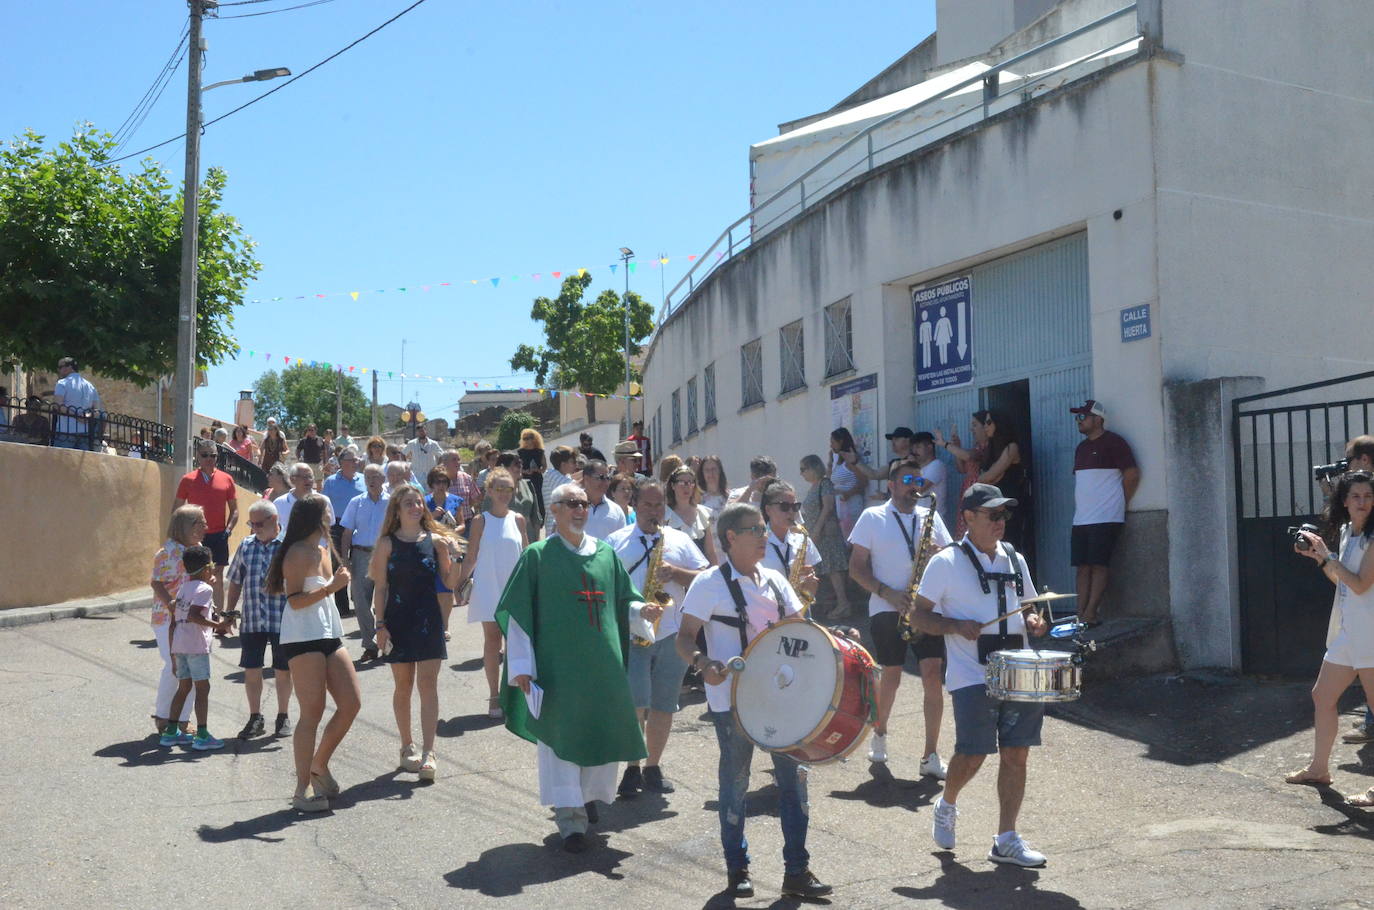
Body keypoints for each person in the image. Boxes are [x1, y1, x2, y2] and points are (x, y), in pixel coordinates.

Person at [676, 503, 832, 899]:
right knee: (736, 783)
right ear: (731, 538)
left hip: (783, 697)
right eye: (756, 530)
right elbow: (684, 637)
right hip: (733, 702)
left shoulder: (776, 579)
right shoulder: (708, 584)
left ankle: (796, 870)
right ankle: (736, 868)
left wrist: (835, 636)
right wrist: (702, 662)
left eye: (764, 529)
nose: (765, 537)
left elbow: (801, 629)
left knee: (794, 785)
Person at [496, 482, 648, 852]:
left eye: (584, 504)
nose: (580, 510)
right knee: (562, 740)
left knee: (600, 733)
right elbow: (518, 616)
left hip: (602, 669)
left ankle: (589, 798)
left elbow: (625, 601)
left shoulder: (605, 555)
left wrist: (644, 612)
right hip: (558, 669)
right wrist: (521, 666)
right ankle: (571, 822)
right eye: (572, 504)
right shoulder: (537, 556)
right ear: (555, 511)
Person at [910, 483, 1049, 867]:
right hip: (973, 674)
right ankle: (947, 802)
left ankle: (1006, 838)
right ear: (968, 517)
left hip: (1018, 670)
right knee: (973, 753)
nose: (1000, 522)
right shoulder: (946, 562)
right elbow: (918, 616)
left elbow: (1029, 605)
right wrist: (954, 625)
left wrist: (1034, 620)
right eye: (992, 515)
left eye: (1003, 515)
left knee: (1017, 754)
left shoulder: (1014, 558)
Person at [849, 461, 953, 772]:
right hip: (886, 605)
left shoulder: (930, 516)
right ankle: (880, 733)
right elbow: (856, 568)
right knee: (891, 676)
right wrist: (888, 593)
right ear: (892, 485)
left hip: (925, 608)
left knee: (933, 676)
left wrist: (940, 557)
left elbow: (951, 557)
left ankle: (930, 755)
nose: (914, 485)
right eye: (907, 479)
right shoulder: (873, 516)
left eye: (918, 480)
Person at [608, 478, 709, 797]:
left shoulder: (679, 540)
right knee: (636, 704)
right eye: (648, 505)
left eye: (658, 505)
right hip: (634, 633)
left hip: (671, 634)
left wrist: (676, 573)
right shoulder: (615, 541)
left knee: (665, 704)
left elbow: (706, 580)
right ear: (634, 505)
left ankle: (653, 768)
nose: (654, 511)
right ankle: (632, 767)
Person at [265, 493, 360, 812]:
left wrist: (334, 586)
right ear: (317, 518)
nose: (332, 516)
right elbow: (294, 600)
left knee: (351, 703)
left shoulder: (323, 550)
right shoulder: (295, 552)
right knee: (312, 712)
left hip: (329, 633)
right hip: (302, 637)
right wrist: (332, 587)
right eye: (327, 512)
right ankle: (301, 789)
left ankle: (319, 764)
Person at [1287, 472, 1374, 804]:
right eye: (1356, 496)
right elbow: (1340, 581)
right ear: (1345, 500)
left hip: (1371, 635)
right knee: (1322, 696)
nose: (1362, 502)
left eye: (1367, 496)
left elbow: (1361, 583)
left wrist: (1329, 558)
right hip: (1349, 632)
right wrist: (1321, 558)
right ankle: (1319, 768)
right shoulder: (1345, 532)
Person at [370, 485, 458, 783]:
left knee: (428, 685)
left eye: (419, 502)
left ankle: (429, 752)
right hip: (397, 620)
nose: (416, 507)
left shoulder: (435, 541)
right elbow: (380, 588)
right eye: (409, 503)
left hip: (428, 619)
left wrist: (453, 557)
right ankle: (407, 745)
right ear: (397, 509)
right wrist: (379, 625)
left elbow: (450, 582)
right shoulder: (386, 544)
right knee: (403, 685)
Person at [455, 466, 528, 719]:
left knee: (516, 645)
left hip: (515, 588)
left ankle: (515, 696)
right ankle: (494, 696)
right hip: (489, 587)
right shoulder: (480, 521)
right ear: (489, 491)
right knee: (493, 641)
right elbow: (472, 555)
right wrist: (461, 582)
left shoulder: (518, 520)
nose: (505, 493)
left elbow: (527, 556)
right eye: (500, 489)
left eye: (509, 489)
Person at [226, 501, 294, 739]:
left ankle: (283, 716)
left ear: (274, 520)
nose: (254, 529)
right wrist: (229, 612)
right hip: (253, 619)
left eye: (258, 524)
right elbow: (235, 581)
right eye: (251, 524)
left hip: (282, 619)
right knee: (251, 670)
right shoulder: (246, 546)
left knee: (283, 670)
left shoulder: (289, 546)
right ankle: (255, 718)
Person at [1070, 400, 1140, 625]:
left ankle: (1091, 612)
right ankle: (1080, 614)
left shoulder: (1114, 443)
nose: (1079, 421)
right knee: (1082, 566)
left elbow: (1132, 475)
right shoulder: (1080, 448)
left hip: (1106, 517)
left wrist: (1122, 503)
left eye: (1083, 417)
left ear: (1098, 419)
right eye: (1078, 417)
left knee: (1099, 564)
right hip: (1082, 518)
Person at [160, 545, 232, 750]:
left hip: (180, 644)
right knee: (203, 688)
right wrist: (218, 626)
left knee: (184, 687)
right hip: (196, 645)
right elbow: (194, 615)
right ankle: (202, 735)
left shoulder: (184, 588)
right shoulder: (205, 589)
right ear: (206, 568)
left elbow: (180, 615)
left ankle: (171, 732)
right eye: (211, 565)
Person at [149, 506, 207, 734]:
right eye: (201, 523)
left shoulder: (199, 549)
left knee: (190, 669)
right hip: (167, 619)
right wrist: (171, 605)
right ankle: (163, 716)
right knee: (175, 668)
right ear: (187, 526)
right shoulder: (167, 552)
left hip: (192, 619)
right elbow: (157, 582)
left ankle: (182, 720)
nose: (206, 527)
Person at [173, 439, 239, 610]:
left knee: (216, 576)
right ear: (197, 456)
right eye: (205, 455)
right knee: (194, 577)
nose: (209, 458)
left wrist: (229, 530)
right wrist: (182, 535)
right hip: (194, 538)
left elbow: (235, 510)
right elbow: (177, 510)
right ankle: (194, 616)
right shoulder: (187, 479)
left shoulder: (227, 479)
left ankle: (218, 617)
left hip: (219, 536)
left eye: (213, 455)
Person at [340, 463, 389, 661]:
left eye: (375, 476)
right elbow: (347, 532)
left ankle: (387, 643)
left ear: (383, 479)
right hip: (360, 555)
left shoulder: (392, 502)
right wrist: (345, 559)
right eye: (367, 477)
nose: (371, 480)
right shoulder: (356, 502)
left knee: (386, 602)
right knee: (361, 601)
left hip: (385, 555)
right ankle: (370, 645)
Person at [799, 454, 853, 619]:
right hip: (818, 534)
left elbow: (827, 507)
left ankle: (843, 604)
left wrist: (816, 530)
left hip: (825, 534)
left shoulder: (825, 483)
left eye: (803, 469)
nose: (801, 473)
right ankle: (834, 603)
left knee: (833, 568)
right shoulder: (814, 486)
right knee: (827, 570)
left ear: (813, 468)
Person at [759, 480, 821, 605]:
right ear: (768, 510)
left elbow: (810, 580)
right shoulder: (756, 542)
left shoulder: (802, 539)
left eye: (795, 506)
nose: (791, 512)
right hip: (768, 610)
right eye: (784, 506)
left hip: (800, 608)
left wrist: (810, 582)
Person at [322, 449, 366, 616]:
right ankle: (342, 606)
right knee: (340, 564)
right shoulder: (331, 482)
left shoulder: (363, 479)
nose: (356, 462)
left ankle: (360, 601)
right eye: (352, 460)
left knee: (360, 563)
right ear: (342, 463)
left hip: (360, 526)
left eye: (357, 459)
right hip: (338, 526)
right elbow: (324, 507)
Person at [934, 416, 988, 538]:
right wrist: (956, 446)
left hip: (979, 492)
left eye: (975, 425)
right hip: (968, 490)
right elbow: (962, 469)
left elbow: (968, 456)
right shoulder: (976, 448)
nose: (971, 429)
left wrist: (945, 444)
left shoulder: (986, 449)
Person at [425, 467, 463, 638]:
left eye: (444, 482)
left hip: (449, 549)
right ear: (431, 483)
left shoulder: (456, 500)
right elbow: (419, 525)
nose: (440, 485)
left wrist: (453, 528)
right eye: (437, 482)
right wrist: (432, 515)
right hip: (428, 549)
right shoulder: (424, 501)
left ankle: (445, 626)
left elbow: (463, 524)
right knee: (428, 589)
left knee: (446, 589)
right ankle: (430, 624)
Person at [666, 465, 719, 565]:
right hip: (675, 573)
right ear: (673, 485)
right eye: (682, 482)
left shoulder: (702, 513)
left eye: (690, 482)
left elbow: (710, 552)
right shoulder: (665, 515)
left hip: (701, 574)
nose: (687, 486)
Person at [829, 428, 872, 538]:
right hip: (841, 506)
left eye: (833, 442)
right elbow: (830, 479)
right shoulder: (837, 460)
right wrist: (830, 461)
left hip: (852, 504)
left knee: (853, 539)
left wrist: (848, 494)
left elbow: (863, 482)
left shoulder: (851, 461)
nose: (831, 445)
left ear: (841, 442)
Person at [52, 356, 101, 450]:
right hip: (85, 432)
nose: (59, 370)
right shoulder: (90, 386)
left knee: (61, 463)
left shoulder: (62, 383)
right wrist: (86, 417)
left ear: (69, 367)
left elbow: (58, 405)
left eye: (60, 367)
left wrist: (76, 416)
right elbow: (97, 411)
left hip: (65, 431)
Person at [277, 463, 333, 536]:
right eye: (304, 477)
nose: (308, 480)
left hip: (319, 547)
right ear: (292, 479)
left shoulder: (324, 501)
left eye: (310, 476)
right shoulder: (279, 503)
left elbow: (330, 527)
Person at [581, 459, 626, 539]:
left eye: (608, 478)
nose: (606, 483)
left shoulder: (616, 510)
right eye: (601, 478)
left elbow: (621, 542)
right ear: (586, 479)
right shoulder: (571, 506)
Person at [440, 449, 482, 529]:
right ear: (445, 463)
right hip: (446, 526)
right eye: (454, 460)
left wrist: (466, 507)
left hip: (466, 524)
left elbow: (475, 497)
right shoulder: (439, 480)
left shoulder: (466, 477)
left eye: (458, 459)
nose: (458, 462)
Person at [541, 446, 579, 536]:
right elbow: (575, 486)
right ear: (563, 464)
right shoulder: (551, 474)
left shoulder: (563, 476)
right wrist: (590, 474)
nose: (576, 464)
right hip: (554, 529)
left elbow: (573, 479)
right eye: (573, 462)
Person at [518, 428, 549, 519]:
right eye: (525, 438)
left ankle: (541, 518)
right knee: (528, 498)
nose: (527, 440)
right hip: (525, 479)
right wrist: (525, 471)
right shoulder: (520, 452)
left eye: (529, 437)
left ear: (535, 438)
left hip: (537, 479)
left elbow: (544, 467)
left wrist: (537, 470)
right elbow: (517, 468)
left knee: (539, 498)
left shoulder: (540, 451)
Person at [911, 431, 948, 505]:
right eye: (913, 447)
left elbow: (919, 488)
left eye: (918, 447)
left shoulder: (937, 465)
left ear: (929, 447)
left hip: (931, 515)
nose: (914, 451)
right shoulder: (916, 468)